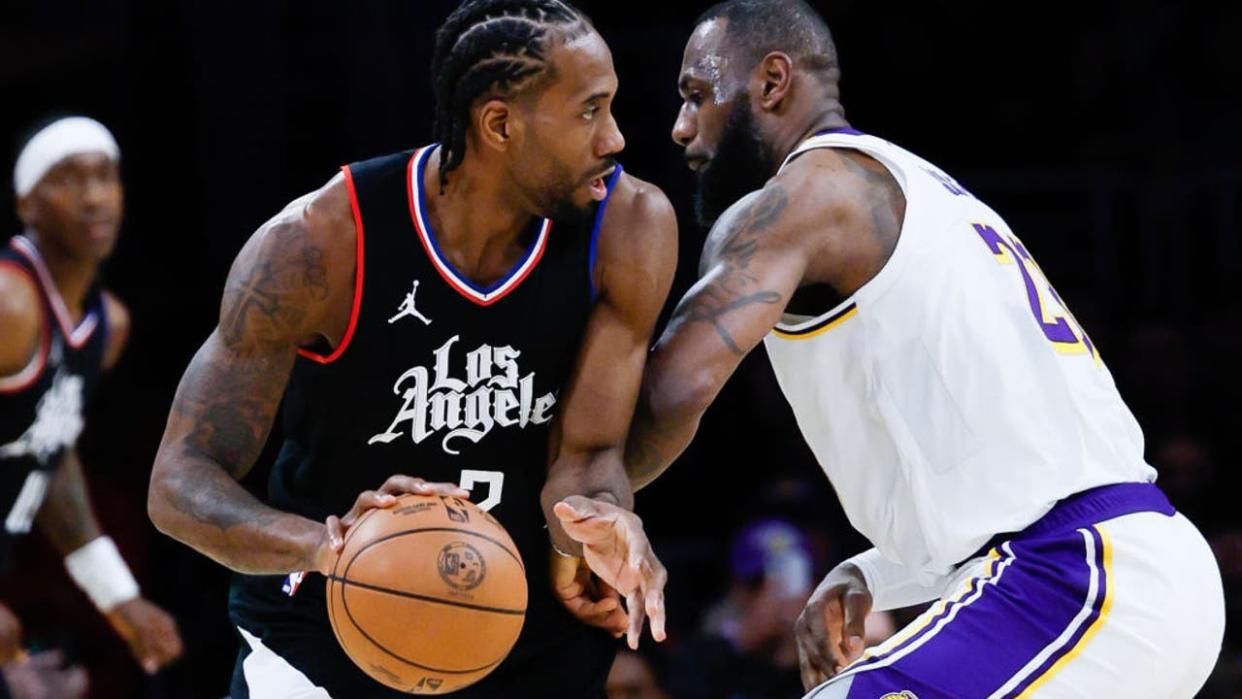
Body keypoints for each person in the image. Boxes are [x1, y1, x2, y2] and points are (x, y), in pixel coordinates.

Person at [622, 1, 1225, 696]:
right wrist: (877, 571)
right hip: (1129, 572)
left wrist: (547, 496)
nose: (681, 127)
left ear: (772, 82)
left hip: (1078, 577)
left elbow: (669, 396)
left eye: (697, 95)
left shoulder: (801, 200)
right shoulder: (924, 190)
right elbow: (1001, 464)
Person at [146, 1, 676, 696]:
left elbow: (587, 455)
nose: (614, 138)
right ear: (500, 124)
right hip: (325, 635)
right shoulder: (321, 243)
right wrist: (332, 547)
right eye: (588, 111)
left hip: (519, 633)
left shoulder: (630, 228)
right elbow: (178, 483)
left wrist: (601, 518)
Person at [0, 116, 184, 687]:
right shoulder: (9, 304)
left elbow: (47, 455)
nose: (92, 197)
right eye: (67, 179)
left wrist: (118, 595)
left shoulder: (109, 326)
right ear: (27, 203)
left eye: (105, 176)